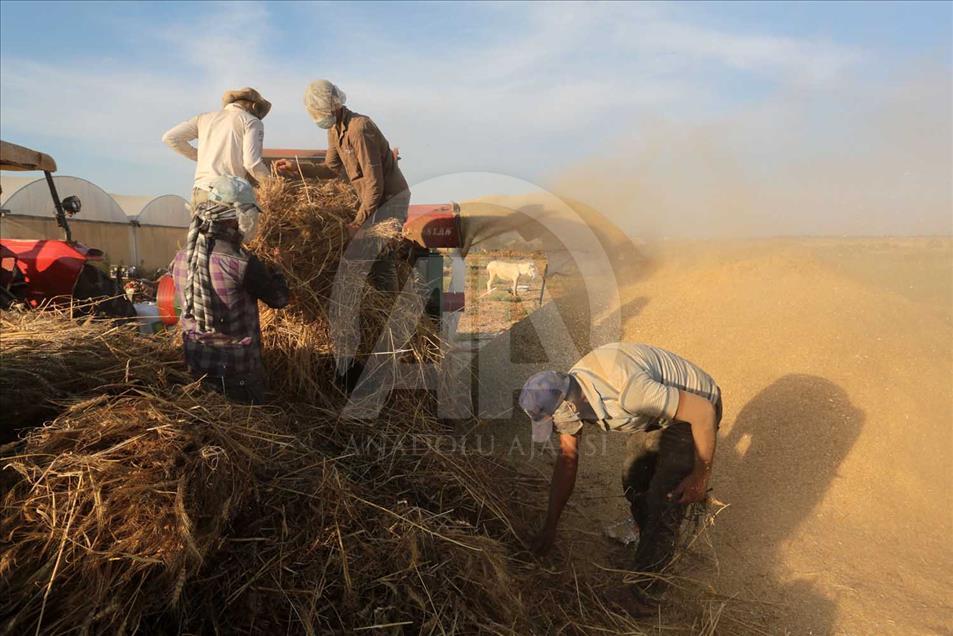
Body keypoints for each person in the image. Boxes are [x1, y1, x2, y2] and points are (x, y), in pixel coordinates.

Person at [519, 343, 723, 581]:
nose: (557, 428)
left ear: (569, 407)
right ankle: (642, 531)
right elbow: (567, 459)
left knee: (664, 500)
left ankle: (646, 591)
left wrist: (700, 476)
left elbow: (703, 412)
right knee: (634, 478)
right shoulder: (571, 390)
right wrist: (550, 526)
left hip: (694, 412)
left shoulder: (630, 393)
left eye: (554, 422)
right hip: (656, 414)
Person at [274, 79, 409, 292]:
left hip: (390, 200)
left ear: (333, 105)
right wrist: (297, 168)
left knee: (381, 259)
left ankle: (390, 311)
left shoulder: (359, 128)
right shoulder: (335, 130)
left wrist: (358, 223)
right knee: (365, 256)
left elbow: (374, 182)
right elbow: (331, 168)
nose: (317, 116)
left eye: (318, 110)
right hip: (373, 197)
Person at [170, 176, 289, 403]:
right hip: (238, 377)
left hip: (196, 371)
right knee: (248, 434)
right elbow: (280, 299)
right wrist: (278, 269)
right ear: (235, 218)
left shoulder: (181, 258)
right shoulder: (241, 262)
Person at [162, 87, 272, 210]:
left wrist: (201, 157)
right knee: (245, 227)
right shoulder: (251, 121)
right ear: (253, 106)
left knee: (200, 228)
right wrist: (271, 184)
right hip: (230, 191)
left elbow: (170, 137)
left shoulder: (203, 118)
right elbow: (252, 163)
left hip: (200, 189)